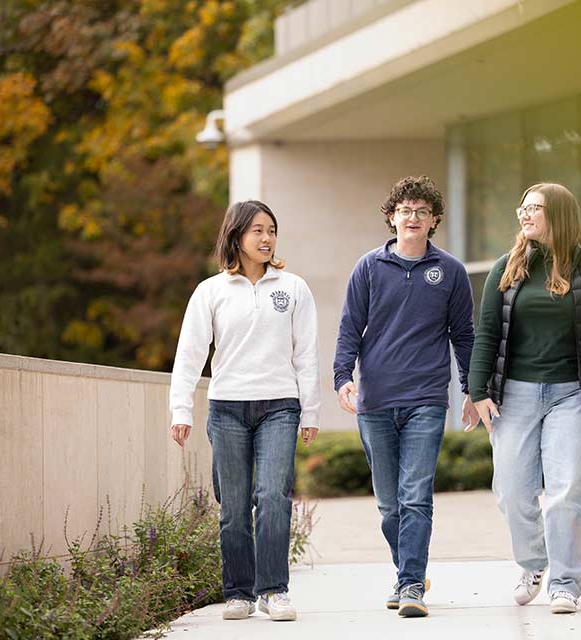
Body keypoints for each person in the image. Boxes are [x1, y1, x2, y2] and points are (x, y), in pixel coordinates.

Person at [467, 183, 581, 614]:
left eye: (534, 208)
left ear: (558, 214)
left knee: (566, 492)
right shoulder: (508, 267)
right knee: (511, 490)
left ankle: (564, 582)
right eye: (521, 207)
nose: (524, 215)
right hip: (514, 394)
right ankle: (534, 563)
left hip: (574, 395)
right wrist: (477, 390)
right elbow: (486, 333)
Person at [169, 200, 320, 622]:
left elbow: (305, 354)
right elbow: (189, 355)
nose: (267, 238)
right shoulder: (210, 292)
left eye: (271, 229)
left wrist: (310, 412)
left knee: (273, 497)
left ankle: (273, 590)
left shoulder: (292, 289)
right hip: (228, 408)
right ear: (235, 236)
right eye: (257, 230)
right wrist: (180, 409)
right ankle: (238, 591)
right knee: (233, 506)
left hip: (279, 407)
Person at [333, 175, 477, 618]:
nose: (412, 217)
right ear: (392, 216)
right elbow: (349, 328)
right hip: (375, 401)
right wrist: (342, 377)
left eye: (421, 211)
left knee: (416, 495)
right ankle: (407, 572)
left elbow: (464, 335)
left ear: (433, 219)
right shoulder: (368, 268)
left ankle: (411, 583)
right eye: (404, 210)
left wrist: (472, 389)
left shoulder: (449, 271)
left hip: (426, 399)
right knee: (388, 504)